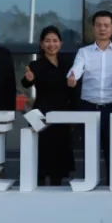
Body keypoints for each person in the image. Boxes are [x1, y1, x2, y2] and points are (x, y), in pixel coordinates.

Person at [68, 10, 112, 185]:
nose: (102, 29)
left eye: (106, 25)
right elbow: (76, 69)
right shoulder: (84, 52)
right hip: (89, 108)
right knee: (89, 150)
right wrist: (72, 77)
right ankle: (89, 186)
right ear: (93, 28)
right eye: (99, 25)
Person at [21, 26, 76, 186]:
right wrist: (28, 79)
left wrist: (73, 84)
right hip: (41, 115)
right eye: (47, 41)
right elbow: (26, 82)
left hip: (62, 116)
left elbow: (73, 90)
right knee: (41, 157)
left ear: (60, 43)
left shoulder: (67, 65)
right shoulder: (36, 64)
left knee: (59, 160)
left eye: (55, 41)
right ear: (41, 44)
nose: (51, 44)